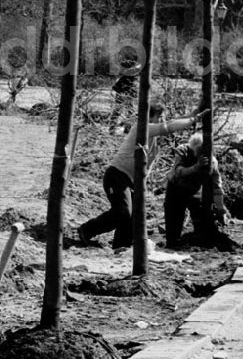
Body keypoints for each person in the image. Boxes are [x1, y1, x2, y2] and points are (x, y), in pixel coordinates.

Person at [77, 102, 203, 251]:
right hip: (117, 175)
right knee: (122, 211)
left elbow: (172, 122)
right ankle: (87, 230)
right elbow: (168, 127)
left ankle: (120, 246)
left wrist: (195, 113)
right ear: (150, 117)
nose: (162, 120)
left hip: (131, 181)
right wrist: (192, 120)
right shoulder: (142, 128)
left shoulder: (152, 136)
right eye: (160, 117)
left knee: (133, 217)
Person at [163, 132, 228, 247]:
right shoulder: (183, 151)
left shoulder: (211, 162)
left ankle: (200, 240)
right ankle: (172, 243)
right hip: (176, 187)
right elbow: (179, 171)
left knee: (200, 216)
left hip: (194, 190)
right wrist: (196, 167)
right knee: (174, 218)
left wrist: (221, 208)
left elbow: (216, 185)